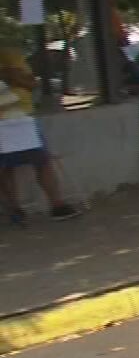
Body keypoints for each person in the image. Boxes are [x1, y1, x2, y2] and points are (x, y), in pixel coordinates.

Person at [0, 46, 81, 224]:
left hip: (23, 116)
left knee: (42, 161)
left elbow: (30, 82)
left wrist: (11, 74)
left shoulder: (10, 54)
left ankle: (57, 204)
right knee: (5, 168)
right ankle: (14, 209)